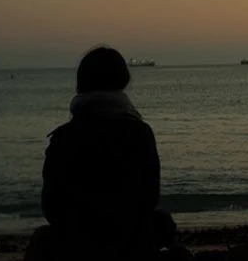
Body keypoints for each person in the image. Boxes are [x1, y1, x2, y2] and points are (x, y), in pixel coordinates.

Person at [26, 46, 177, 261]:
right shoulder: (140, 133)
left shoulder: (64, 137)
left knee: (43, 237)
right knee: (162, 221)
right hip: (130, 240)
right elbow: (150, 197)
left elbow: (51, 207)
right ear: (122, 81)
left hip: (77, 241)